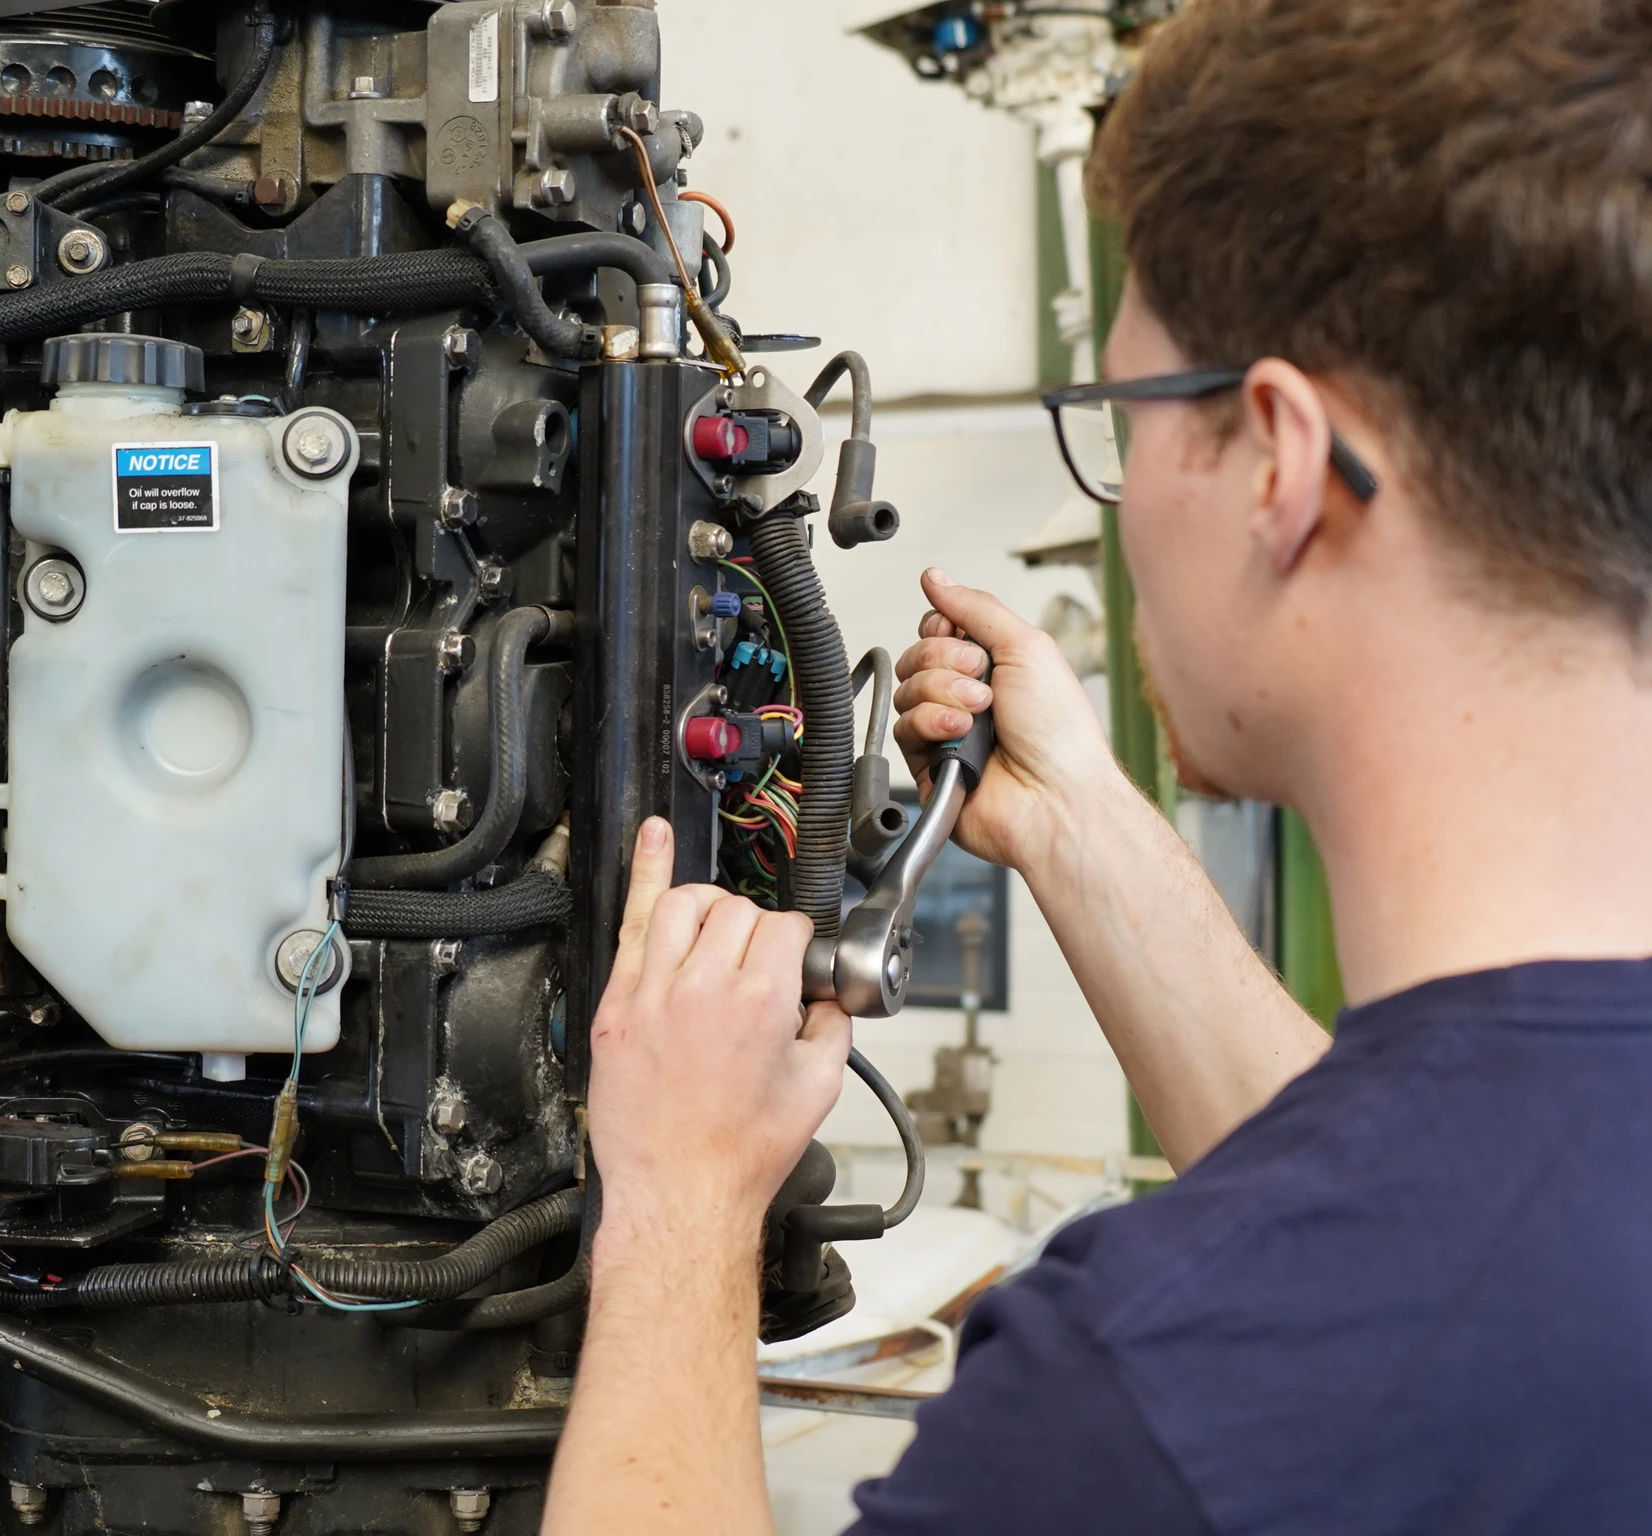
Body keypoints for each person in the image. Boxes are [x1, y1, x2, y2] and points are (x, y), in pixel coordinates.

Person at [541, 0, 1652, 1529]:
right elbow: (1430, 1207)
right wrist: (1075, 825)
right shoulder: (1523, 1208)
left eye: (1123, 423)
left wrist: (680, 1196)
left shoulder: (1153, 1393)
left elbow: (1348, 1269)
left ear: (1276, 463)